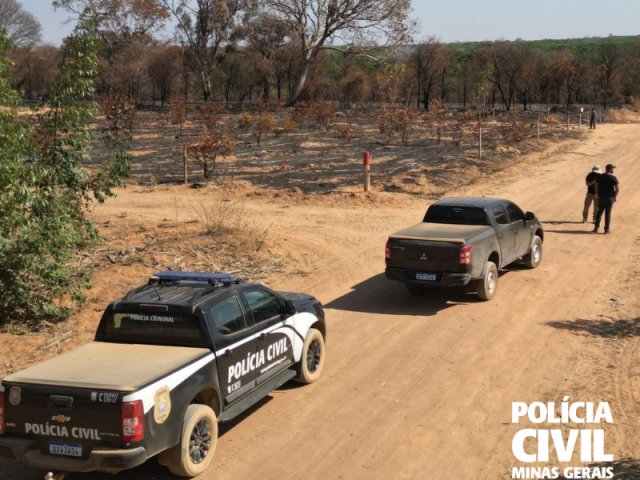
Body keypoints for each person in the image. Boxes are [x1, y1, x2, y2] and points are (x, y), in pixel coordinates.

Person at [593, 164, 619, 234]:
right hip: (609, 198)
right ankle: (606, 230)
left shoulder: (599, 176)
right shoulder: (613, 178)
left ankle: (596, 228)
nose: (613, 170)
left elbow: (596, 186)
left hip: (601, 197)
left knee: (599, 213)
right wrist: (614, 197)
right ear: (609, 169)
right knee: (608, 214)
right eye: (612, 169)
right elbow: (617, 190)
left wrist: (598, 195)